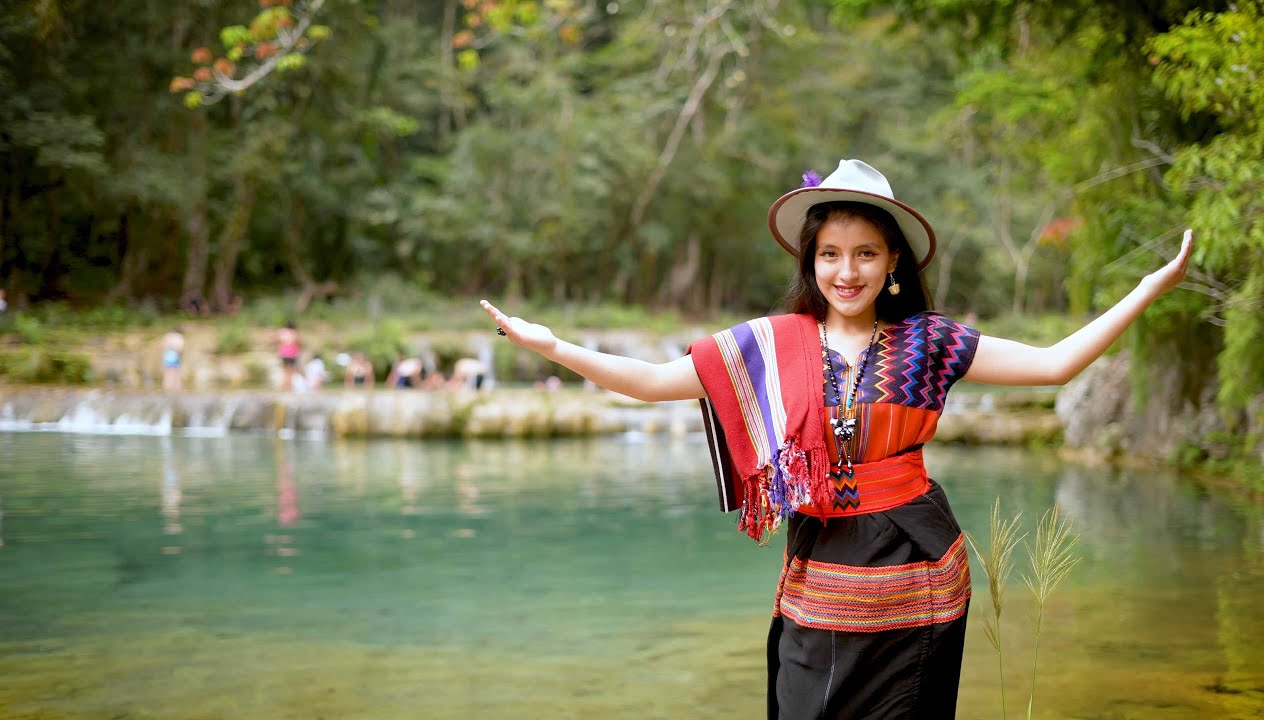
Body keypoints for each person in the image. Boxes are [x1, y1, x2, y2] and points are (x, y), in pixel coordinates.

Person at [480, 158, 1192, 720]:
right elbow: (648, 380)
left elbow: (1053, 364)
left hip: (920, 577)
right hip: (820, 576)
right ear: (811, 261)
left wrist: (1148, 290)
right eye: (829, 254)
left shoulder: (929, 342)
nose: (845, 272)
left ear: (891, 266)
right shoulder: (768, 345)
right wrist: (554, 346)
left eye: (864, 255)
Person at [275, 321, 301, 391]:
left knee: (285, 370)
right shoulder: (294, 333)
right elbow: (297, 342)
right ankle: (289, 387)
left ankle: (284, 386)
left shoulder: (283, 332)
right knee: (291, 371)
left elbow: (278, 341)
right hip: (292, 354)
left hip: (284, 353)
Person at [161, 327, 185, 392]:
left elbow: (164, 345)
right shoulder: (179, 337)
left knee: (168, 374)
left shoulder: (168, 336)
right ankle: (177, 389)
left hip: (167, 357)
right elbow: (180, 348)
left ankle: (167, 389)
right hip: (175, 357)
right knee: (176, 373)